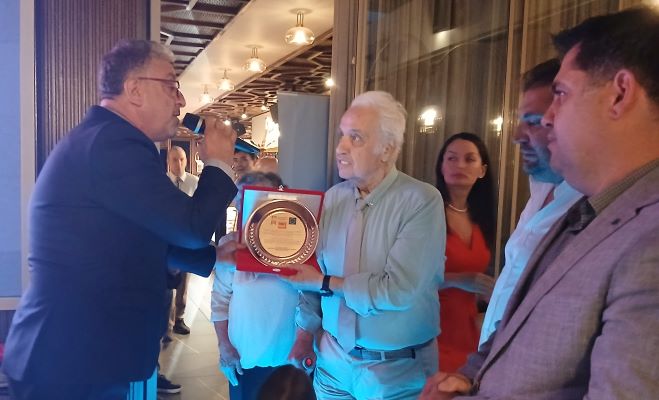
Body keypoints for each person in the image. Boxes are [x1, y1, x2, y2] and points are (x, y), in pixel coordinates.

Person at [421, 6, 659, 399]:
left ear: (619, 94)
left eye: (561, 95)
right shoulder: (589, 209)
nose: (548, 120)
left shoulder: (649, 241)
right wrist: (469, 377)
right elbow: (518, 327)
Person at [2, 39, 242, 400]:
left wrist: (214, 256)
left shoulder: (109, 140)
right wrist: (219, 163)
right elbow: (190, 228)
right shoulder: (111, 145)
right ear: (134, 90)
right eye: (172, 85)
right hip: (71, 362)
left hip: (77, 355)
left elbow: (135, 238)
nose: (181, 100)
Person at [282, 91, 445, 399]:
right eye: (342, 135)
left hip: (395, 370)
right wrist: (304, 335)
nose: (341, 148)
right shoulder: (333, 198)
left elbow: (398, 290)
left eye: (355, 138)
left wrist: (326, 282)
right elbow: (312, 275)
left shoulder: (421, 201)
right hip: (332, 360)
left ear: (387, 149)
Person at [478, 59, 582, 346]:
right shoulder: (541, 186)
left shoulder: (595, 204)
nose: (516, 137)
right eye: (521, 121)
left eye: (534, 122)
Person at [212, 171, 302, 400]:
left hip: (290, 357)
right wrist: (224, 346)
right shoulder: (229, 245)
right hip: (244, 358)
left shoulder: (302, 244)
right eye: (243, 201)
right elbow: (220, 300)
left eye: (260, 198)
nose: (252, 208)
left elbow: (311, 299)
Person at [434, 133, 495, 373]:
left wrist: (489, 293)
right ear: (441, 166)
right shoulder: (428, 213)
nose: (459, 165)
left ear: (482, 170)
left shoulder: (481, 218)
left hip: (468, 330)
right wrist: (458, 280)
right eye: (451, 158)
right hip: (431, 327)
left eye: (469, 159)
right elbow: (407, 278)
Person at [166, 145, 199, 336]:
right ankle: (166, 322)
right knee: (166, 282)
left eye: (182, 159)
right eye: (174, 159)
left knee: (184, 282)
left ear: (187, 160)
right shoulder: (161, 182)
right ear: (168, 161)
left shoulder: (194, 183)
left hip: (186, 241)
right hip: (167, 241)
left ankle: (179, 318)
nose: (178, 164)